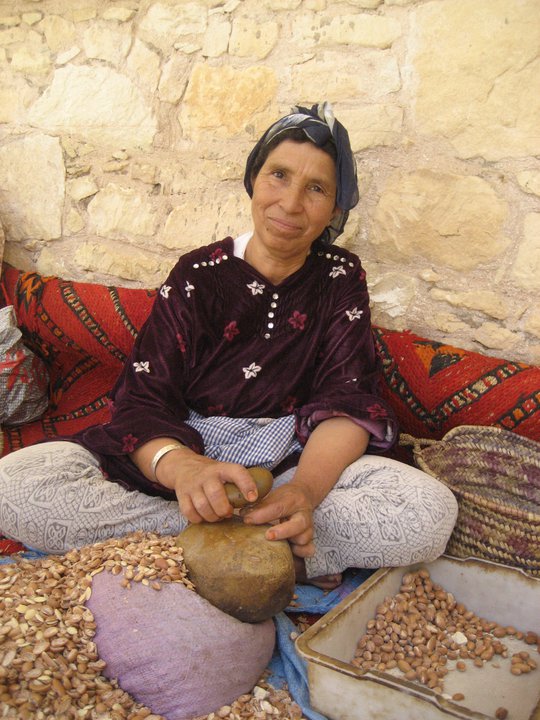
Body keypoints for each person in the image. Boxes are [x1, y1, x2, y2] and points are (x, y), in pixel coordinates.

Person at [0, 103, 458, 588]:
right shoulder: (199, 274)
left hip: (290, 460)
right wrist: (183, 470)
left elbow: (346, 399)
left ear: (334, 209)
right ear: (254, 180)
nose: (291, 202)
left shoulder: (340, 276)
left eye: (317, 189)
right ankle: (256, 550)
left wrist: (303, 492)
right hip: (187, 454)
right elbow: (143, 397)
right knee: (14, 486)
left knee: (427, 512)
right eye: (278, 175)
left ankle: (216, 544)